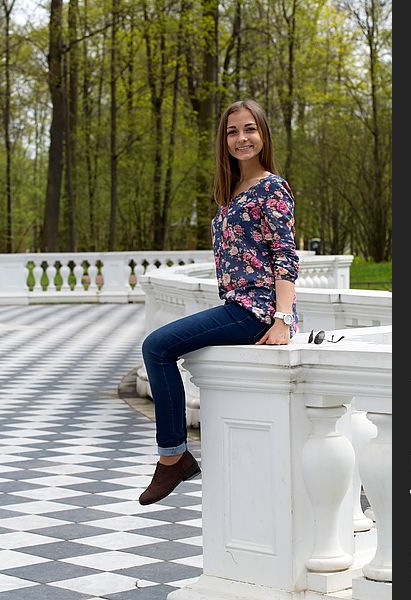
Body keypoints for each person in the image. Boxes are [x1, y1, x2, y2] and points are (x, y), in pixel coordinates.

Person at [138, 99, 299, 506]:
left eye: (249, 129)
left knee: (156, 347)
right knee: (159, 347)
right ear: (223, 140)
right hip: (238, 304)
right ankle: (174, 456)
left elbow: (286, 255)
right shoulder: (230, 193)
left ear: (263, 135)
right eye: (232, 132)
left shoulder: (271, 186)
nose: (241, 138)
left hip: (256, 310)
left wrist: (281, 319)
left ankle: (173, 457)